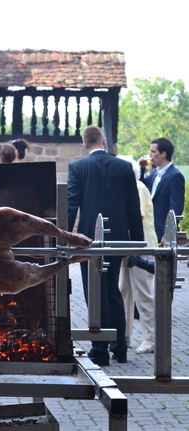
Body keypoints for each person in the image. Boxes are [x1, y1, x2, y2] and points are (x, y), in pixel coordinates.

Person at [67, 125, 144, 366]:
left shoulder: (78, 167)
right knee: (112, 291)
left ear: (84, 144)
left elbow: (71, 205)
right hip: (118, 237)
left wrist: (63, 237)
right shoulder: (124, 167)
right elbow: (133, 206)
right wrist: (136, 243)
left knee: (94, 293)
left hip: (89, 239)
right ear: (103, 141)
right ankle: (119, 348)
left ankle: (99, 350)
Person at [118, 158, 157, 355]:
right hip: (128, 245)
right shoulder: (130, 187)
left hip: (140, 246)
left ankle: (151, 337)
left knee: (143, 293)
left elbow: (136, 217)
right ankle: (125, 335)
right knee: (124, 290)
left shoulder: (138, 187)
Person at [139, 137, 185, 243]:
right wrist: (141, 169)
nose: (150, 155)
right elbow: (143, 187)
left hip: (162, 230)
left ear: (163, 154)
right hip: (150, 229)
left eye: (153, 151)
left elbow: (176, 207)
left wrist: (168, 232)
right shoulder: (154, 173)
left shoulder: (175, 176)